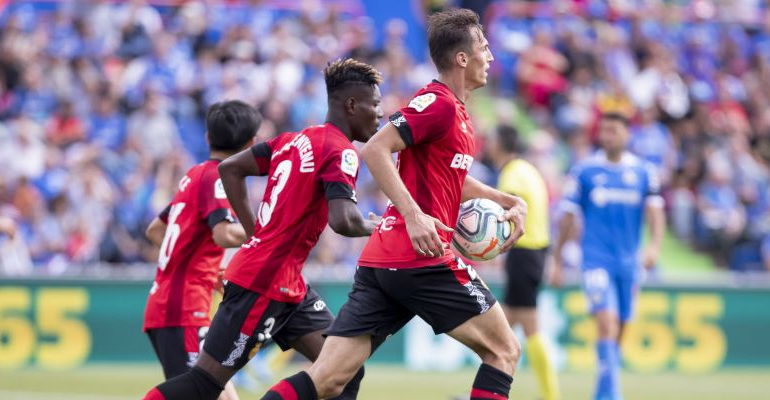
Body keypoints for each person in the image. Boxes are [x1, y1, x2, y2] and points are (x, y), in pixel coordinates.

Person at [259, 9, 528, 400]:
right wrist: (414, 215)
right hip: (421, 256)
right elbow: (376, 150)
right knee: (504, 351)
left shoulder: (457, 112)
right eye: (484, 48)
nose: (490, 56)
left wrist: (505, 198)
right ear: (462, 58)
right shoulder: (438, 104)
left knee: (329, 379)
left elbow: (450, 178)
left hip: (384, 260)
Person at [143, 58, 384, 400]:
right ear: (351, 105)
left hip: (288, 282)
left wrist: (254, 232)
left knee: (343, 371)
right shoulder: (341, 152)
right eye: (374, 104)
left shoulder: (292, 139)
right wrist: (382, 225)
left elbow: (229, 168)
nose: (379, 112)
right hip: (264, 282)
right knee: (206, 384)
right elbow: (343, 220)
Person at [143, 100, 258, 400]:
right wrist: (264, 234)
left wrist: (194, 265)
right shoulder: (217, 177)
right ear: (250, 145)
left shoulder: (193, 175)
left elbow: (155, 230)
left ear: (208, 138)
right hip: (182, 308)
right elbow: (222, 234)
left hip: (172, 302)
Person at [552, 112, 666, 400]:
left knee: (622, 327)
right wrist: (556, 259)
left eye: (613, 131)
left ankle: (603, 390)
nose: (607, 136)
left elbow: (655, 212)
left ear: (627, 135)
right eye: (604, 131)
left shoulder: (643, 172)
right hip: (595, 259)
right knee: (606, 322)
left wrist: (653, 247)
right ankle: (611, 395)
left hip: (630, 262)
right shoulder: (585, 171)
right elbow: (567, 215)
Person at [488, 124, 560, 400]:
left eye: (492, 139)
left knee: (526, 327)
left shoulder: (512, 174)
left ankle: (551, 396)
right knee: (504, 331)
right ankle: (490, 388)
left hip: (524, 253)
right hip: (534, 253)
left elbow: (506, 209)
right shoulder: (528, 169)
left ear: (502, 144)